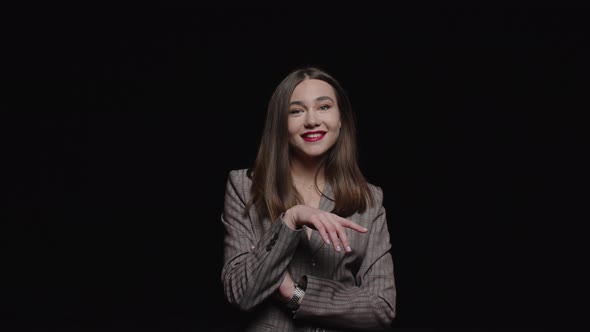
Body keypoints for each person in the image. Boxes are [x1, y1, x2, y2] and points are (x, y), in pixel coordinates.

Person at [220, 66, 396, 331]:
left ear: (341, 119)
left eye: (324, 107)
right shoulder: (245, 186)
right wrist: (291, 219)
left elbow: (382, 307)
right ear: (280, 123)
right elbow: (242, 293)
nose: (312, 121)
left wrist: (295, 294)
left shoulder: (369, 200)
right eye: (296, 111)